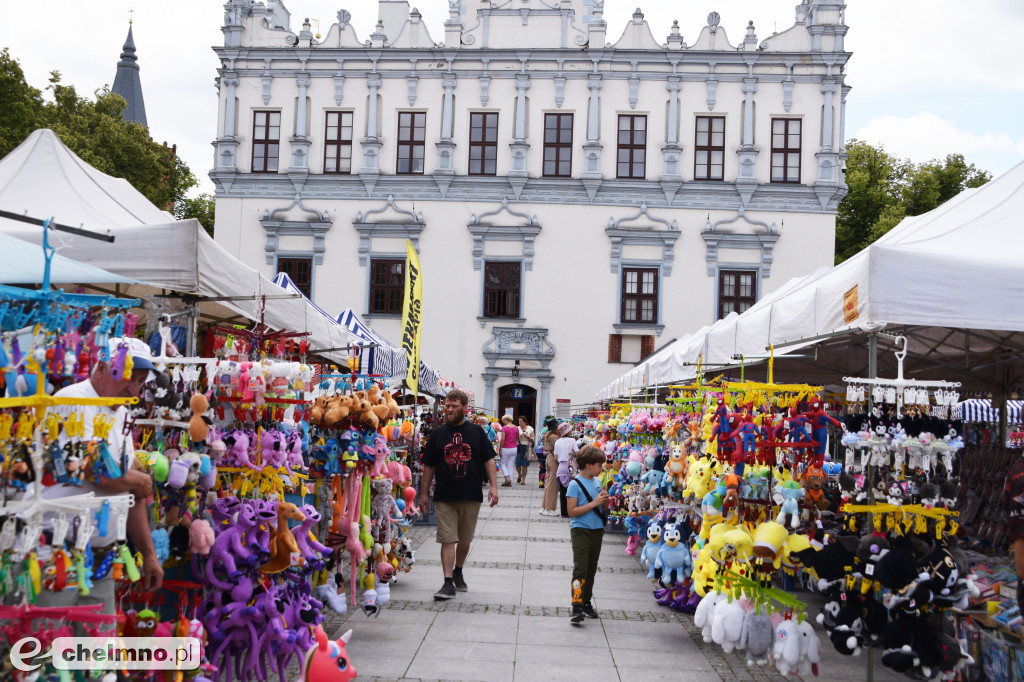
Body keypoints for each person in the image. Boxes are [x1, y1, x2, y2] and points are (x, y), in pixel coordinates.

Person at [37, 337, 164, 621]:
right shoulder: (72, 400)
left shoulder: (121, 413)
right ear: (102, 369)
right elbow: (96, 472)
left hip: (102, 557)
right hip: (58, 554)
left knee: (96, 654)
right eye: (128, 378)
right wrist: (138, 480)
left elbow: (131, 492)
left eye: (141, 382)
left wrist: (149, 554)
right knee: (41, 650)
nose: (134, 389)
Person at [421, 389, 499, 600]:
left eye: (454, 406)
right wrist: (423, 493)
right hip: (445, 494)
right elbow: (428, 465)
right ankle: (447, 582)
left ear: (465, 408)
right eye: (447, 406)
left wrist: (494, 486)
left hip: (471, 494)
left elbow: (489, 460)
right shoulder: (437, 434)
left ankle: (458, 569)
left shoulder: (476, 432)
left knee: (464, 540)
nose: (450, 409)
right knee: (447, 538)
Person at [566, 445, 609, 623]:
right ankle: (576, 605)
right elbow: (572, 511)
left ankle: (586, 602)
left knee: (591, 569)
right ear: (589, 465)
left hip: (597, 530)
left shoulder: (597, 482)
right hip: (581, 530)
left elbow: (600, 507)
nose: (602, 469)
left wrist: (605, 502)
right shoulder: (574, 484)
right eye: (600, 465)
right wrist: (595, 502)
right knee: (580, 569)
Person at [554, 421, 579, 517]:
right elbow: (577, 453)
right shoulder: (572, 440)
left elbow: (555, 457)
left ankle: (564, 512)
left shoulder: (557, 441)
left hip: (561, 467)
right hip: (571, 467)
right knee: (572, 491)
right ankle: (572, 511)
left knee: (563, 491)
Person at [538, 418, 561, 516]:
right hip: (553, 459)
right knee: (552, 484)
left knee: (548, 484)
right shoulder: (554, 437)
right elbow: (559, 447)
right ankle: (549, 508)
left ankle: (544, 507)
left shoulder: (548, 435)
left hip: (548, 457)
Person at [497, 415, 519, 487]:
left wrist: (500, 448)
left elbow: (502, 439)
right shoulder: (516, 428)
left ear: (506, 419)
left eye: (503, 420)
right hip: (514, 448)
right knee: (511, 465)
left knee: (503, 464)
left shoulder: (504, 428)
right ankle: (510, 480)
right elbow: (517, 439)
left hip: (506, 447)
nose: (503, 422)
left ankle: (507, 478)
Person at [515, 416, 534, 485]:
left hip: (526, 447)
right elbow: (514, 438)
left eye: (521, 421)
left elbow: (533, 439)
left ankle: (523, 479)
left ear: (525, 422)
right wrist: (519, 436)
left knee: (525, 464)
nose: (519, 423)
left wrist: (527, 436)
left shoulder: (530, 428)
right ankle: (519, 474)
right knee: (517, 464)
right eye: (519, 421)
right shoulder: (517, 428)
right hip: (519, 446)